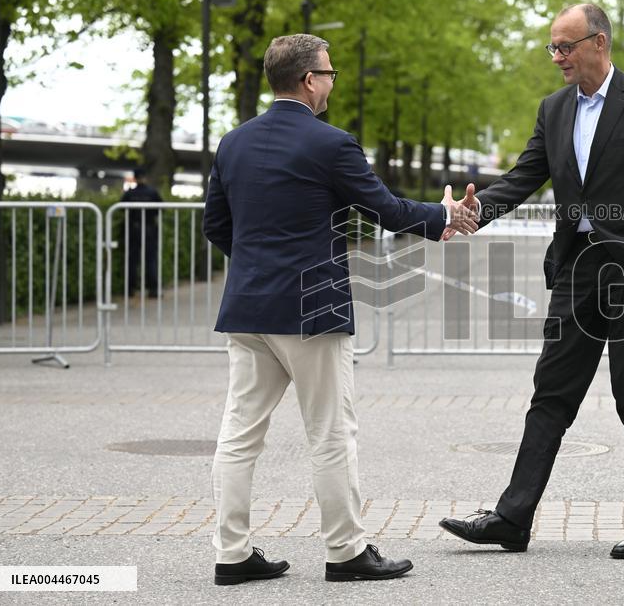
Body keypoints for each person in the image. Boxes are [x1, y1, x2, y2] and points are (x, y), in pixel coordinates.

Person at [202, 33, 477, 585]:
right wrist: (442, 214)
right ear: (309, 80)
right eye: (328, 73)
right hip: (312, 310)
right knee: (330, 433)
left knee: (238, 434)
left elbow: (216, 225)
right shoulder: (331, 143)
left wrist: (260, 266)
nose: (331, 82)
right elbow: (386, 209)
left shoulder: (233, 143)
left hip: (249, 308)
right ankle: (346, 551)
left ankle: (231, 555)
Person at [439, 4, 624, 559]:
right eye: (552, 48)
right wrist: (470, 212)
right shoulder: (554, 109)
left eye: (565, 46)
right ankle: (513, 518)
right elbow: (522, 179)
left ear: (599, 43)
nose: (557, 57)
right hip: (575, 271)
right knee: (551, 395)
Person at [120, 167, 162, 298]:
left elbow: (121, 208)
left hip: (133, 229)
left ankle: (129, 290)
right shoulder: (153, 192)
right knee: (151, 260)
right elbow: (161, 208)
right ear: (145, 177)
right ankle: (153, 290)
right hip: (149, 228)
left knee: (132, 260)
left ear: (135, 177)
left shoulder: (129, 193)